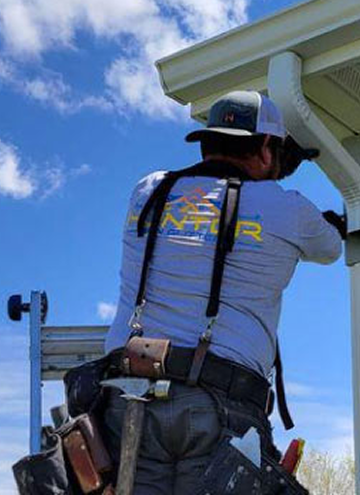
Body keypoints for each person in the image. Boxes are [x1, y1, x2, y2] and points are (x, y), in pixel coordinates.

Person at [102, 90, 343, 494]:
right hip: (221, 406)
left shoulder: (148, 191)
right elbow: (330, 246)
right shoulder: (289, 209)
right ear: (267, 147)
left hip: (128, 399)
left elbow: (208, 212)